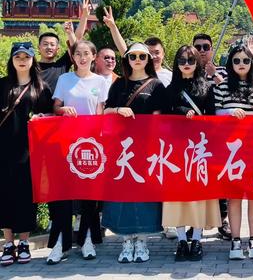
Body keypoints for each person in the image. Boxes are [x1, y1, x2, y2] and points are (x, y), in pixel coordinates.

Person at [102, 43, 166, 263]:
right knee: (123, 196)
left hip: (146, 149)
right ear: (127, 59)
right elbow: (105, 111)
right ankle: (126, 240)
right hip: (121, 150)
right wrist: (118, 110)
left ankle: (142, 241)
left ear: (148, 59)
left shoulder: (156, 86)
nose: (137, 60)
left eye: (142, 56)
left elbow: (164, 117)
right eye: (133, 56)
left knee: (144, 196)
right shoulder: (119, 84)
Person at [46, 41, 108, 264]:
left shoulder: (100, 81)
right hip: (66, 144)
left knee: (88, 196)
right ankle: (60, 244)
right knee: (63, 194)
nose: (82, 58)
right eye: (77, 54)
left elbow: (101, 112)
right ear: (72, 57)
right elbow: (56, 107)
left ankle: (87, 239)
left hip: (91, 145)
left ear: (93, 57)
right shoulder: (65, 79)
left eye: (86, 54)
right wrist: (63, 110)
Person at [214, 45, 253, 260]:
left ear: (252, 63)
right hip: (231, 151)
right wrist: (228, 112)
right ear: (231, 63)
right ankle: (236, 241)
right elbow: (213, 115)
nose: (241, 64)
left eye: (245, 60)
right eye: (236, 60)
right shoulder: (221, 88)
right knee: (234, 197)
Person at [162, 46, 220, 262]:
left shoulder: (207, 88)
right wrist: (179, 112)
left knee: (199, 198)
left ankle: (196, 239)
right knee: (177, 198)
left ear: (197, 62)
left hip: (200, 151)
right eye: (181, 60)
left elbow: (213, 119)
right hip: (176, 151)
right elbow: (163, 117)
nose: (186, 64)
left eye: (190, 60)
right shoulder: (169, 89)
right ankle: (181, 240)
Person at [0, 42, 52, 267]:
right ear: (11, 60)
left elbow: (51, 115)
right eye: (17, 56)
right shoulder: (1, 85)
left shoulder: (41, 87)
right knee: (4, 196)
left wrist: (42, 117)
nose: (22, 60)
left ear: (33, 60)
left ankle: (24, 242)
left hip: (30, 152)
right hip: (3, 150)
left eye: (26, 56)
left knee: (26, 197)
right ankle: (8, 243)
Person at [192, 33, 230, 240]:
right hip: (195, 136)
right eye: (198, 46)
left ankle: (222, 221)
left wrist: (215, 76)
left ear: (212, 48)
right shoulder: (188, 69)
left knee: (220, 178)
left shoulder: (222, 71)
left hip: (219, 134)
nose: (202, 50)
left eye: (206, 46)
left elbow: (230, 93)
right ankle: (194, 221)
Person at [103, 7, 172, 86]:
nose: (153, 56)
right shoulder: (136, 71)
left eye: (157, 52)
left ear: (163, 54)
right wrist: (113, 27)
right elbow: (124, 50)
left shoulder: (171, 76)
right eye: (150, 53)